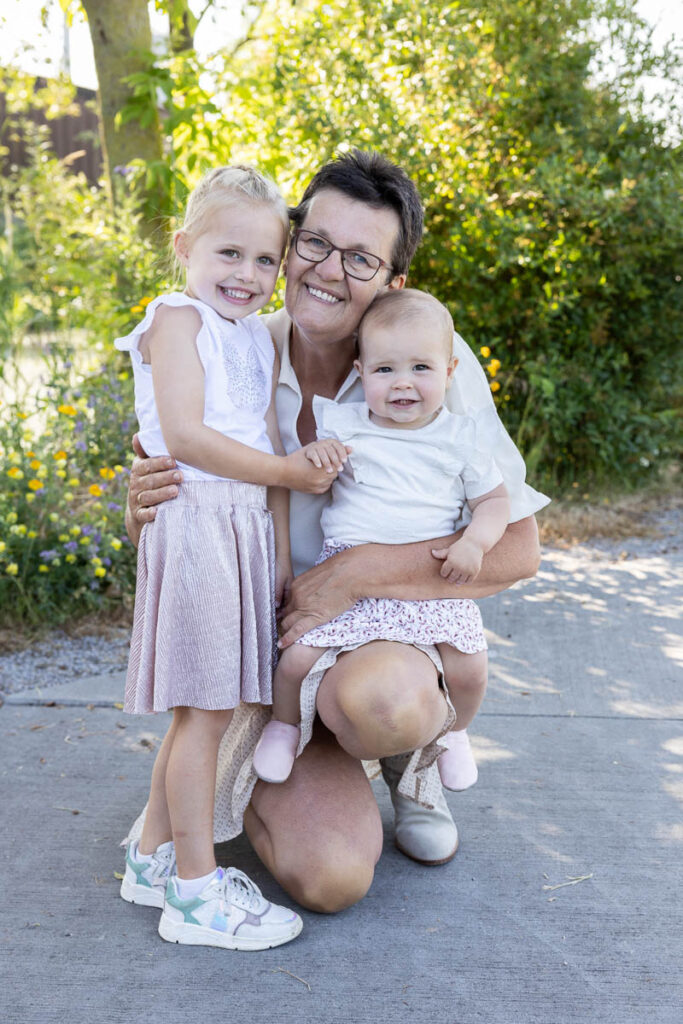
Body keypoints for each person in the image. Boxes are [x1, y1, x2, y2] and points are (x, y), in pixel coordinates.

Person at [125, 150, 549, 913]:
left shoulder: (422, 364)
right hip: (268, 656)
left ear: (393, 280)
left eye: (360, 258)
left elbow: (518, 549)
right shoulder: (229, 343)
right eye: (314, 242)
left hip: (378, 644)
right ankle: (280, 767)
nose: (327, 269)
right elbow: (187, 498)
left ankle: (409, 760)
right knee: (331, 880)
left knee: (387, 701)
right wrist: (145, 507)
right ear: (289, 246)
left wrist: (346, 578)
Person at [115, 165, 349, 949]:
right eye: (227, 253)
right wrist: (289, 473)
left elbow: (270, 438)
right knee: (203, 713)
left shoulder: (253, 335)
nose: (245, 276)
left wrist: (280, 559)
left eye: (262, 261)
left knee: (204, 711)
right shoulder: (175, 318)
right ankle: (194, 892)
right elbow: (184, 436)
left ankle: (150, 857)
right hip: (199, 524)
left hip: (244, 530)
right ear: (183, 247)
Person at [252, 288, 511, 791]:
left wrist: (475, 543)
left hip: (425, 580)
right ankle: (284, 727)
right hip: (343, 573)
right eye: (385, 370)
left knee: (471, 666)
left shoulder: (461, 437)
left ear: (450, 372)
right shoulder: (345, 425)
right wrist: (321, 458)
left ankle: (454, 733)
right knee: (297, 656)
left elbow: (495, 504)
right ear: (361, 372)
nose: (403, 385)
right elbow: (304, 478)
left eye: (421, 368)